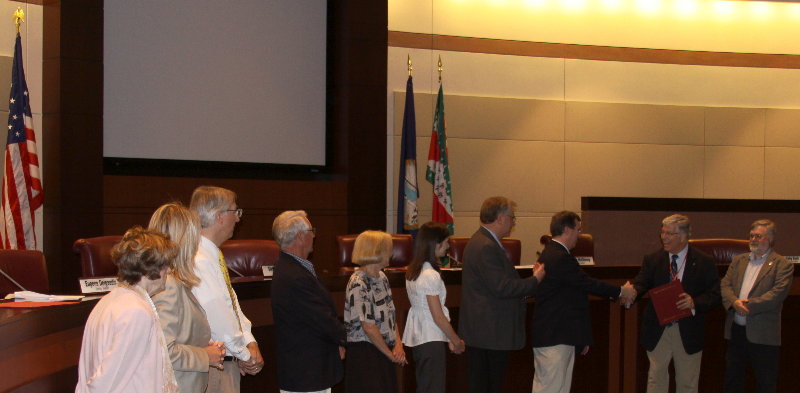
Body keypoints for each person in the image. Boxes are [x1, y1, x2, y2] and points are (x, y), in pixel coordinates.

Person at [532, 211, 635, 393]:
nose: (579, 235)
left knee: (558, 388)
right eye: (578, 230)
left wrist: (581, 337)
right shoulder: (559, 256)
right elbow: (587, 283)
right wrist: (621, 291)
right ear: (567, 230)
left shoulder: (554, 253)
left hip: (559, 335)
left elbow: (574, 295)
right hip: (555, 336)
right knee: (550, 388)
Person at [76, 227, 180, 393]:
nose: (169, 270)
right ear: (150, 268)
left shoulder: (109, 300)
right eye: (165, 264)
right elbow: (106, 382)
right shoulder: (136, 311)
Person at [458, 196, 545, 393]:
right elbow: (502, 287)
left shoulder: (482, 241)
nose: (513, 222)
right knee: (489, 386)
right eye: (512, 217)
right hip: (491, 333)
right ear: (500, 218)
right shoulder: (486, 246)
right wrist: (535, 280)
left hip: (486, 333)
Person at [630, 214, 721, 393]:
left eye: (669, 233)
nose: (663, 237)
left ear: (683, 236)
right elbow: (641, 283)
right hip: (658, 328)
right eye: (662, 232)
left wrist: (694, 302)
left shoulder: (704, 261)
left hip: (688, 328)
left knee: (687, 382)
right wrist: (631, 292)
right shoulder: (653, 259)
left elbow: (716, 294)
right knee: (656, 380)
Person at [189, 186, 263, 392]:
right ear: (219, 216)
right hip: (216, 366)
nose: (238, 218)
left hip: (227, 360)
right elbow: (218, 318)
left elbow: (231, 304)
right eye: (235, 211)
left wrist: (249, 341)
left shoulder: (212, 256)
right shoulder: (200, 260)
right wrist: (245, 354)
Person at [149, 203, 226, 392]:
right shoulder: (167, 285)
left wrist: (201, 345)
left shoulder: (171, 280)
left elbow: (177, 334)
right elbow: (163, 350)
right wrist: (204, 355)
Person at [271, 210, 346, 393]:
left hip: (310, 370)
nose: (314, 235)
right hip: (305, 374)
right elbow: (321, 319)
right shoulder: (294, 275)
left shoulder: (294, 268)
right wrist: (347, 337)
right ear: (300, 236)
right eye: (311, 231)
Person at [721, 219, 794, 393]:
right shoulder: (738, 261)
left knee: (765, 383)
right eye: (752, 236)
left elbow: (777, 294)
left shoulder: (782, 264)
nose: (753, 239)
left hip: (764, 335)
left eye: (758, 236)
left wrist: (747, 305)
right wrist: (734, 302)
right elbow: (725, 285)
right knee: (733, 381)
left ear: (770, 239)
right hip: (736, 332)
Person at [403, 221, 465, 393]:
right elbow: (438, 317)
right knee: (433, 388)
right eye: (446, 242)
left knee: (426, 386)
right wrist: (456, 340)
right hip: (431, 340)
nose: (448, 246)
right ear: (435, 244)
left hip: (421, 339)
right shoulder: (430, 275)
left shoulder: (414, 271)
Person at [344, 230, 407, 393]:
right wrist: (390, 354)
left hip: (383, 349)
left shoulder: (382, 277)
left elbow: (391, 314)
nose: (391, 253)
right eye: (388, 249)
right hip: (366, 354)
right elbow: (368, 326)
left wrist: (398, 344)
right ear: (375, 251)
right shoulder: (358, 282)